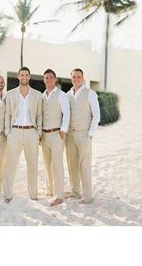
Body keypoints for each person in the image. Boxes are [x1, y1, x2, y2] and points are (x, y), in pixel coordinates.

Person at [3, 67, 42, 203]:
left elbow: (39, 115)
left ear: (29, 77)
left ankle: (33, 194)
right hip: (15, 132)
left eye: (26, 75)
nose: (24, 77)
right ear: (18, 77)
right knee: (11, 164)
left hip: (32, 132)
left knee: (32, 165)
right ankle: (7, 194)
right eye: (22, 75)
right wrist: (8, 132)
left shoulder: (37, 95)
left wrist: (39, 133)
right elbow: (7, 114)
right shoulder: (10, 94)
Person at [65, 68, 100, 204]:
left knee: (84, 165)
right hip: (70, 135)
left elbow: (96, 116)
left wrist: (90, 134)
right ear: (71, 78)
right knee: (71, 164)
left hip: (84, 134)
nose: (76, 79)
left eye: (78, 76)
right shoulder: (68, 94)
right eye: (74, 77)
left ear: (83, 78)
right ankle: (75, 192)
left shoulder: (90, 93)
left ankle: (87, 196)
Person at [41, 69, 70, 206]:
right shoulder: (42, 95)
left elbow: (67, 113)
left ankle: (59, 195)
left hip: (57, 134)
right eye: (46, 77)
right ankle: (50, 190)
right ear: (44, 80)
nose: (49, 79)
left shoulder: (61, 95)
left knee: (57, 165)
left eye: (51, 77)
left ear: (55, 79)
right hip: (44, 135)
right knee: (47, 164)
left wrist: (63, 130)